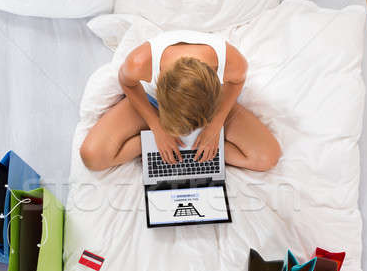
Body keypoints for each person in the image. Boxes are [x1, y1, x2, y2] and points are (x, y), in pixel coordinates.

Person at [80, 30, 281, 171]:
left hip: (206, 105)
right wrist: (156, 129)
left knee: (267, 156)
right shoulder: (140, 63)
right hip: (152, 101)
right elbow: (128, 83)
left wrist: (215, 125)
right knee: (93, 156)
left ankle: (193, 151)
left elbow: (236, 83)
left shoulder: (232, 62)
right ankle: (160, 145)